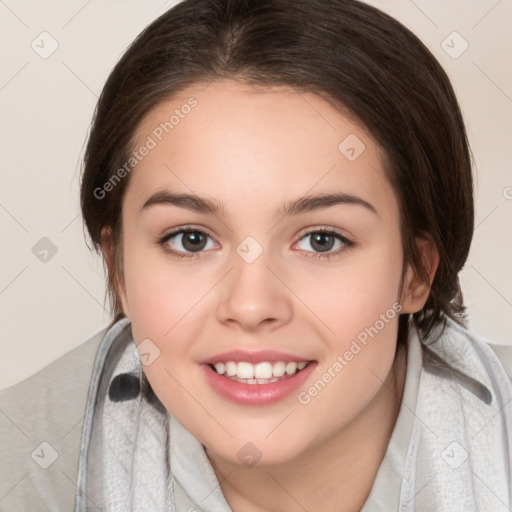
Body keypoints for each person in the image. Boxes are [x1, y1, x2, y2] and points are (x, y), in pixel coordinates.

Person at [1, 0, 511, 511]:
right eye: (191, 239)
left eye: (321, 240)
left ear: (416, 271)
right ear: (119, 270)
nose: (250, 305)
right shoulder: (22, 463)